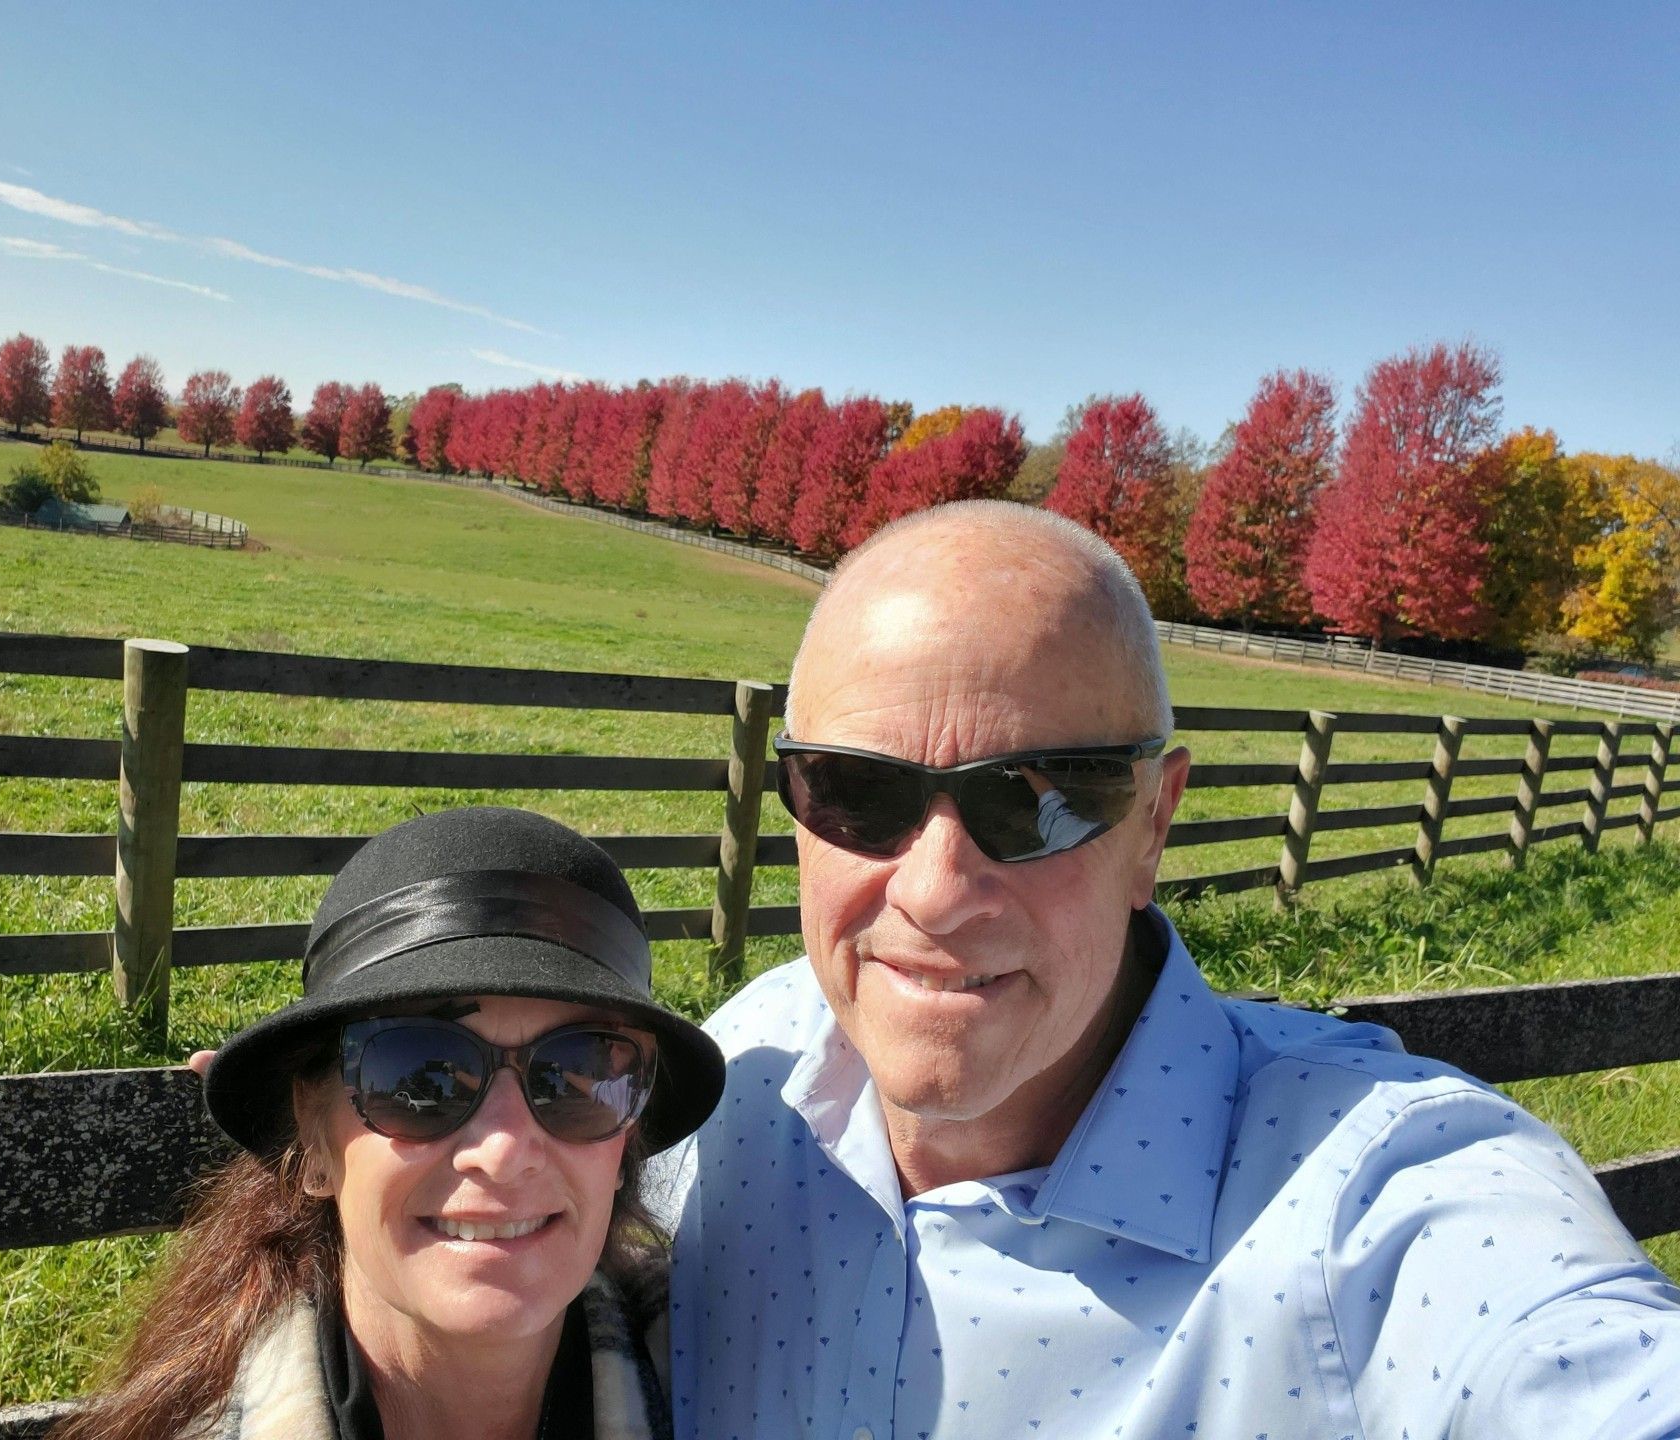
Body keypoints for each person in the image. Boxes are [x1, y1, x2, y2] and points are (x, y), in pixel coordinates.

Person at [661, 501, 1680, 1438]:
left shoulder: (1370, 1207)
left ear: (1154, 822)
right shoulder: (726, 1085)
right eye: (854, 789)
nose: (934, 890)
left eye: (1038, 799)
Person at [55, 806, 725, 1440]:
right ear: (313, 1141)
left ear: (625, 1139)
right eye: (417, 1079)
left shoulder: (736, 1390)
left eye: (577, 1075)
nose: (505, 1149)